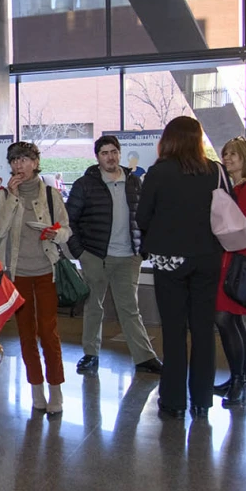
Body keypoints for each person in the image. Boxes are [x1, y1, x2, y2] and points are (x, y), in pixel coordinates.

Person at [137, 116, 222, 419]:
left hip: (170, 260)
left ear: (169, 139)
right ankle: (202, 398)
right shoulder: (216, 171)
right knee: (203, 329)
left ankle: (173, 401)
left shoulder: (159, 172)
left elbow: (142, 216)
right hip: (209, 257)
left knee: (174, 330)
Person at [66, 135, 162, 375]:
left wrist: (143, 249)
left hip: (128, 257)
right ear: (97, 157)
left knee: (130, 308)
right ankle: (90, 355)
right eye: (104, 153)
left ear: (120, 153)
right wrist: (81, 252)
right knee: (93, 307)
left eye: (113, 151)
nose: (110, 157)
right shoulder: (85, 184)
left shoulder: (134, 183)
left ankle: (144, 357)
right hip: (96, 255)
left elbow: (145, 217)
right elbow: (69, 221)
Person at [0, 141, 71, 416]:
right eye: (14, 160)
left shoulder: (50, 193)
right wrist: (12, 199)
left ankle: (56, 388)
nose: (19, 165)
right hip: (17, 273)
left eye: (24, 160)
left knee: (49, 332)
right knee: (26, 334)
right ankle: (36, 387)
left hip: (46, 270)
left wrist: (55, 233)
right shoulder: (4, 196)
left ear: (35, 163)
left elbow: (66, 229)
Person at [214, 137, 246, 408]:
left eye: (234, 154)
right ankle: (240, 377)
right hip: (233, 264)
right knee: (233, 321)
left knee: (224, 319)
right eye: (225, 153)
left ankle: (239, 381)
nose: (228, 158)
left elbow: (232, 227)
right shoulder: (238, 187)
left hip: (236, 265)